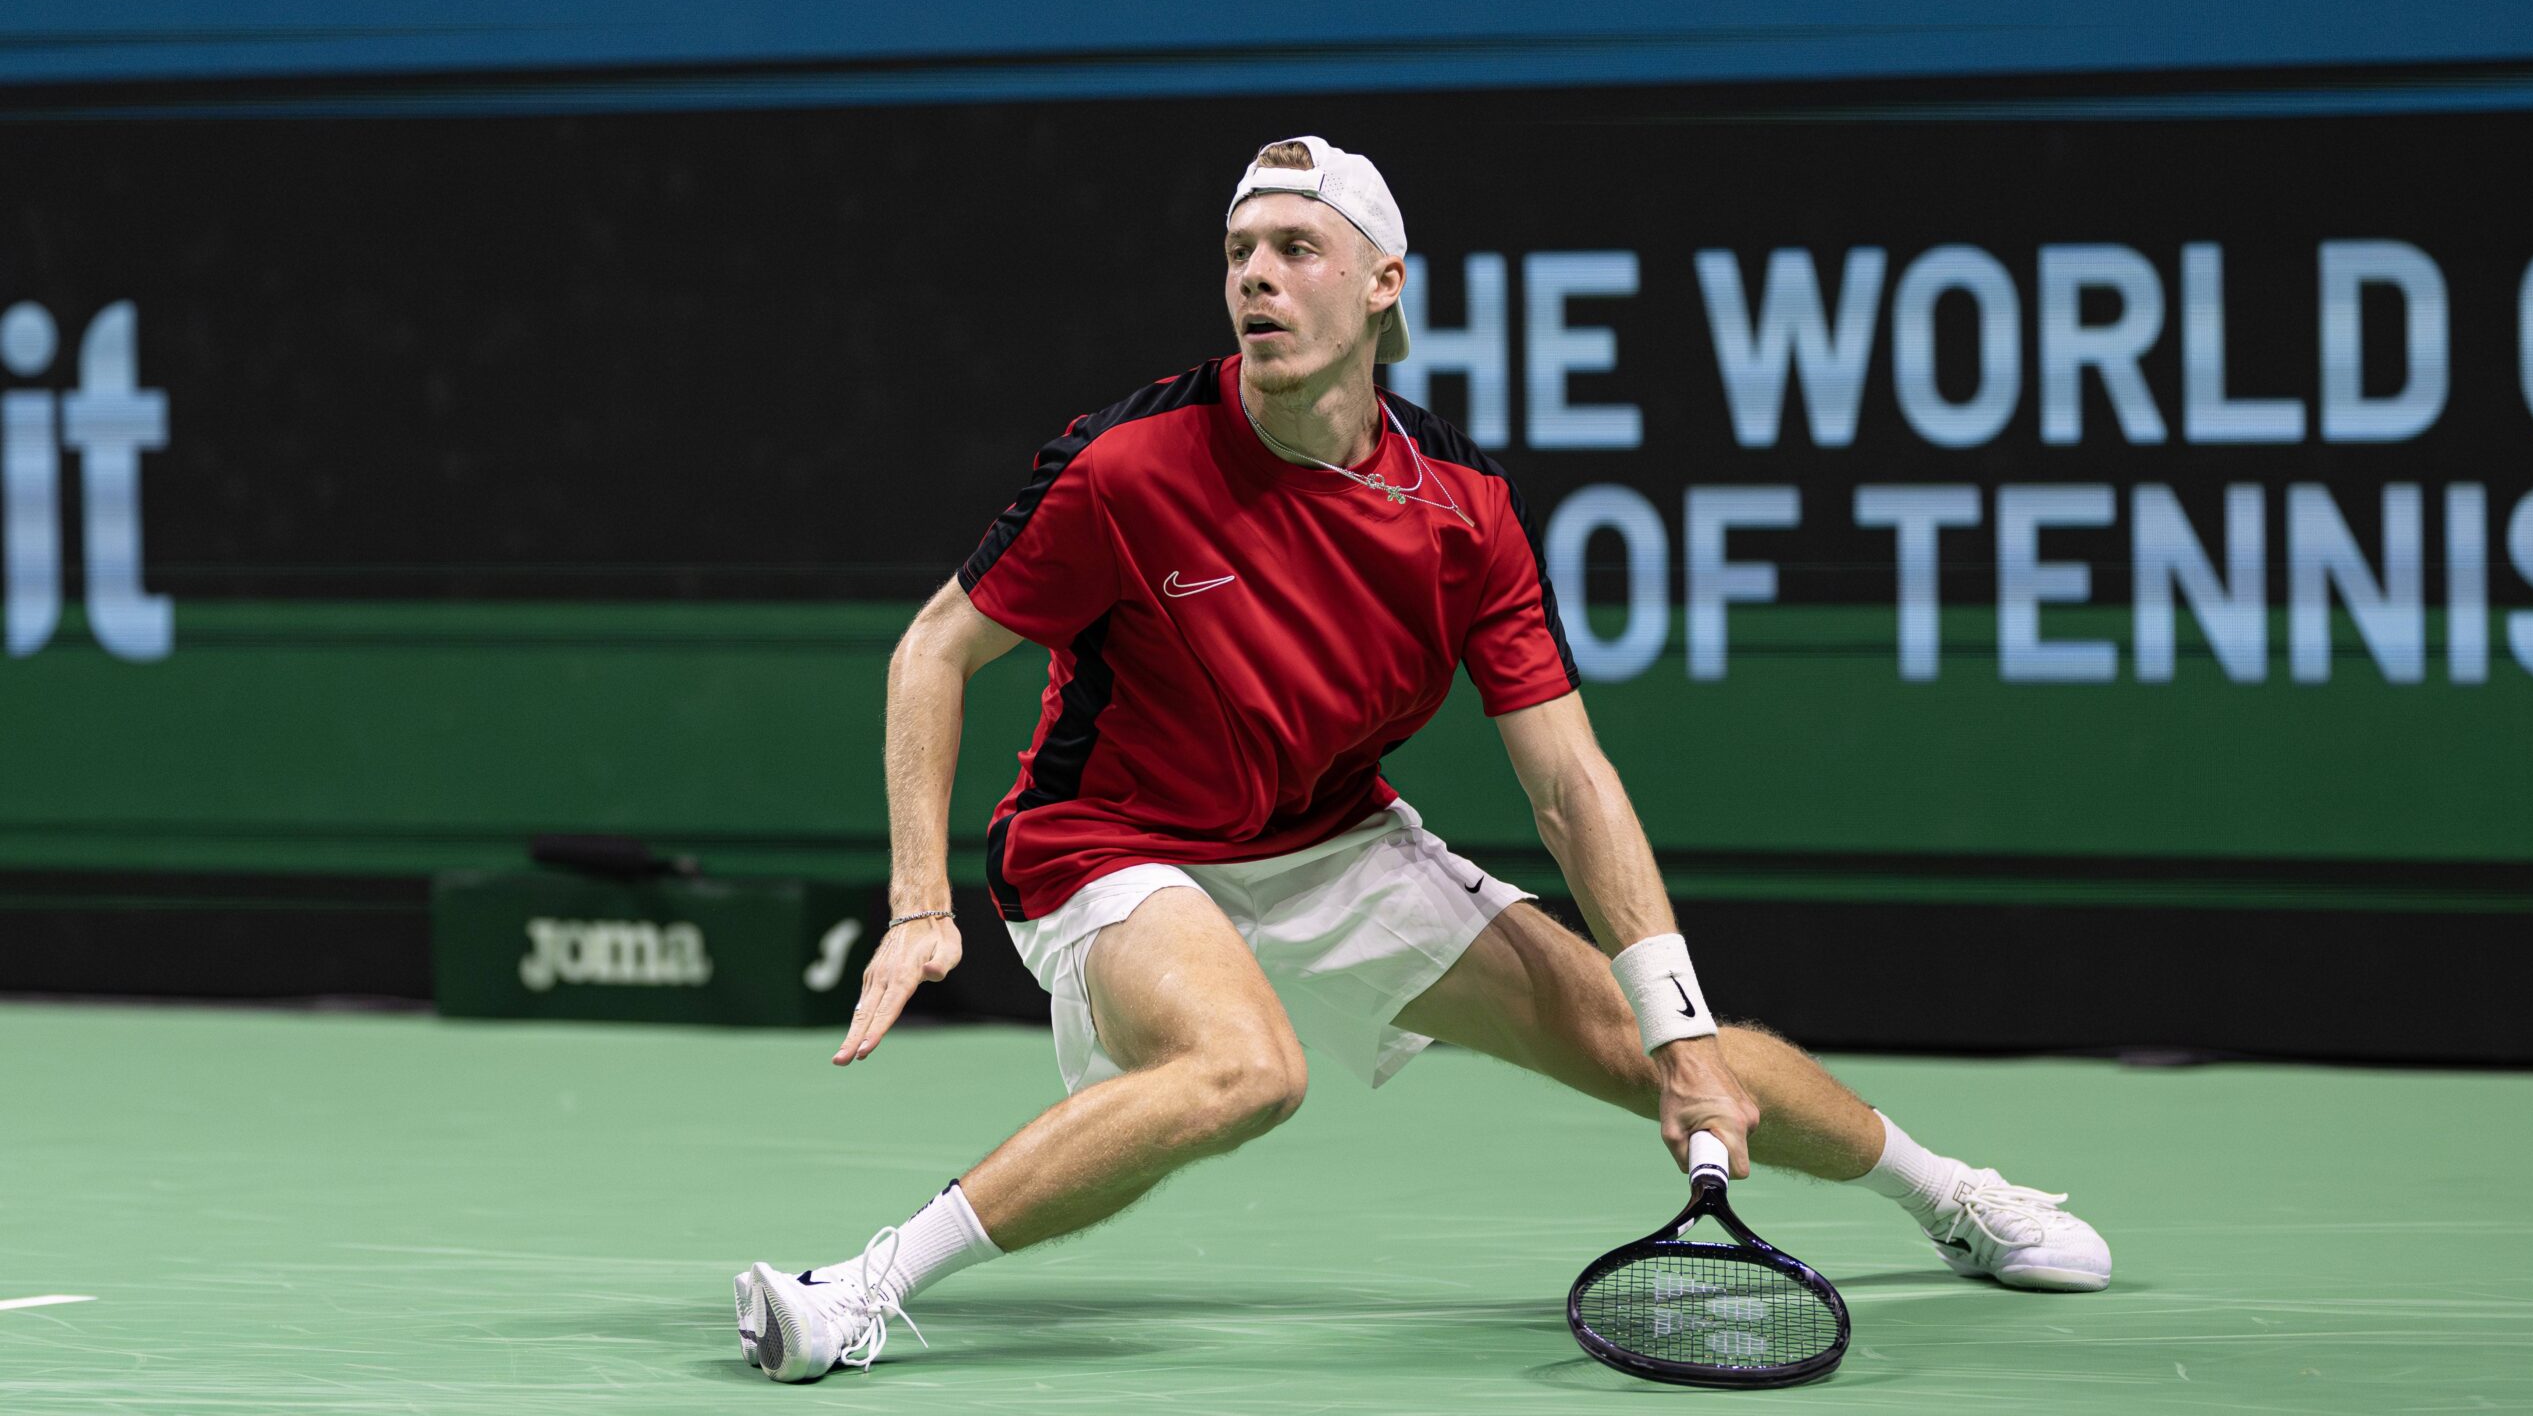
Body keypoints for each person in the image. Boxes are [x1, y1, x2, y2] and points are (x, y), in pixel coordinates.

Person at [734, 135, 2111, 1383]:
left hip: (1335, 840)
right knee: (1247, 1066)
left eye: (1296, 250)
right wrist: (920, 907)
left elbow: (1570, 783)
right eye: (1237, 255)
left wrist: (1680, 1030)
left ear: (1383, 284)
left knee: (1661, 1051)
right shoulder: (1129, 467)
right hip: (1113, 841)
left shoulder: (1465, 513)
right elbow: (933, 649)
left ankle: (1953, 1199)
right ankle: (862, 1289)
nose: (1256, 280)